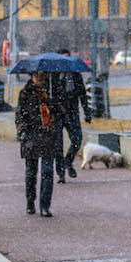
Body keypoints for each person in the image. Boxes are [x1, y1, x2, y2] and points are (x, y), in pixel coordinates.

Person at [15, 70, 62, 216]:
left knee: (47, 172)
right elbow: (20, 115)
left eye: (42, 75)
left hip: (48, 136)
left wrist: (52, 105)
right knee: (31, 172)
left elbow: (61, 112)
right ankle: (30, 201)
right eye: (37, 75)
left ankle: (45, 205)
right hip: (31, 136)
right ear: (32, 77)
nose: (40, 78)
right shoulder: (25, 93)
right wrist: (22, 130)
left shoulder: (52, 92)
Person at [49, 49, 92, 181]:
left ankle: (68, 161)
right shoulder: (52, 76)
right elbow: (48, 96)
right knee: (58, 146)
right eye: (63, 59)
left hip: (72, 113)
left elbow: (82, 95)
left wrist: (87, 112)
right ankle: (61, 173)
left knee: (77, 140)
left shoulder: (75, 75)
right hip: (57, 114)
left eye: (68, 58)